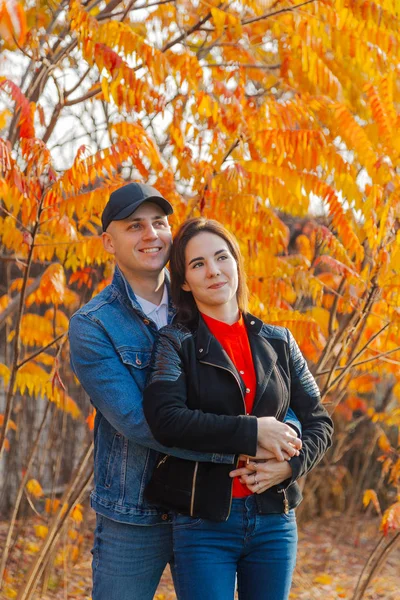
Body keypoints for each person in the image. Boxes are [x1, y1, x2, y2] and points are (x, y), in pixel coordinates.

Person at [68, 183, 302, 600]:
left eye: (159, 222)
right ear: (108, 242)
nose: (150, 235)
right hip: (135, 512)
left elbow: (271, 396)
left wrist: (286, 451)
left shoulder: (206, 292)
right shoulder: (94, 325)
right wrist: (250, 441)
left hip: (208, 507)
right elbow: (142, 424)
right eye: (134, 226)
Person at [143, 217, 334, 600]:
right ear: (184, 281)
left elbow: (320, 422)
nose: (213, 271)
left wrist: (290, 467)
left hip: (275, 521)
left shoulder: (279, 341)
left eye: (221, 257)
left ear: (236, 262)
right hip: (204, 523)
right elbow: (166, 420)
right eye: (198, 264)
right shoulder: (174, 342)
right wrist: (253, 432)